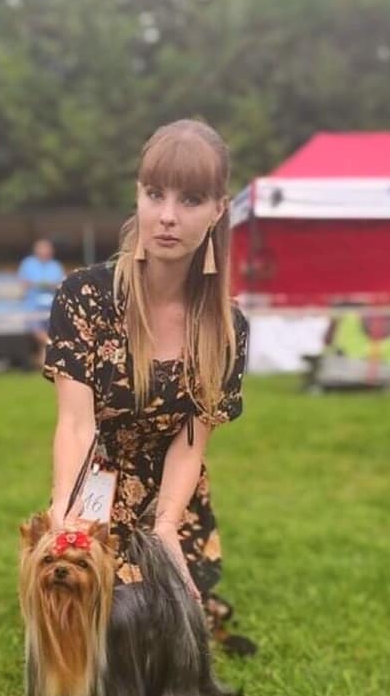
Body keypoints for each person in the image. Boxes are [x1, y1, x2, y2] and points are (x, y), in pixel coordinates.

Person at [42, 118, 256, 656]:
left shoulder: (227, 328)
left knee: (168, 636)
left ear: (218, 210)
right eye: (154, 194)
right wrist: (67, 511)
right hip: (95, 482)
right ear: (137, 195)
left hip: (172, 495)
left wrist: (165, 528)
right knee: (101, 632)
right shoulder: (83, 297)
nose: (167, 216)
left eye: (190, 199)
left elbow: (191, 442)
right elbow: (76, 424)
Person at [18, 238, 66, 356]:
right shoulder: (28, 264)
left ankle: (46, 357)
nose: (45, 251)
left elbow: (61, 283)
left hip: (52, 306)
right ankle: (54, 346)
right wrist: (40, 284)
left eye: (47, 248)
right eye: (42, 248)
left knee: (51, 334)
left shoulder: (56, 265)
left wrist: (45, 285)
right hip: (33, 306)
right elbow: (24, 283)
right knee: (38, 332)